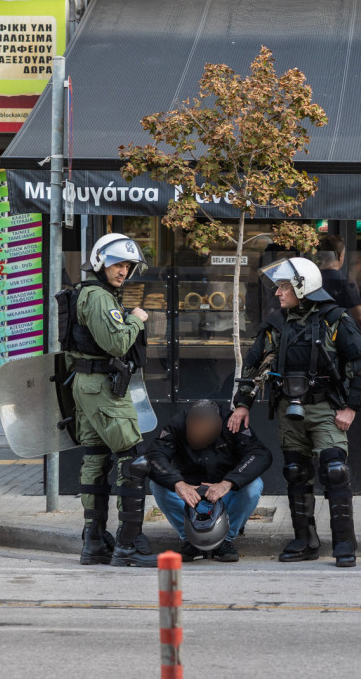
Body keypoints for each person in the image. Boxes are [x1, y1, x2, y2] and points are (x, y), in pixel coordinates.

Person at [229, 257, 361, 567]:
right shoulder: (275, 324)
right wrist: (242, 404)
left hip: (325, 409)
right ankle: (305, 540)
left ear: (302, 287)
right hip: (287, 410)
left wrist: (351, 407)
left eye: (284, 287)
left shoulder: (335, 319)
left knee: (335, 471)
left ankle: (344, 544)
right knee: (296, 473)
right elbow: (254, 365)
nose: (278, 293)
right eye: (278, 287)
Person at [66, 233, 156, 568]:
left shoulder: (88, 293)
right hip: (102, 386)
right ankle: (129, 543)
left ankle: (94, 542)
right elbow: (117, 343)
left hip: (88, 384)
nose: (124, 271)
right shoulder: (100, 297)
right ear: (101, 260)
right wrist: (137, 318)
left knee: (95, 457)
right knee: (133, 460)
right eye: (118, 263)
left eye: (128, 266)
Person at [147, 400, 271, 562]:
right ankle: (190, 540)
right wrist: (178, 483)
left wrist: (228, 483)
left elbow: (260, 454)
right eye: (194, 435)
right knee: (157, 485)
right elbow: (154, 455)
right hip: (190, 497)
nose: (198, 439)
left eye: (204, 436)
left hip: (224, 496)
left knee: (254, 486)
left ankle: (225, 540)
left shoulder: (232, 423)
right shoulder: (177, 424)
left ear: (219, 426)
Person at [317, 234, 361, 336]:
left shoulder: (311, 277)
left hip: (313, 337)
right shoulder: (345, 282)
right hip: (339, 339)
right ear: (340, 255)